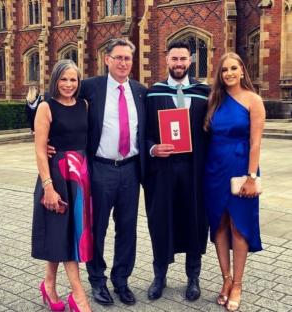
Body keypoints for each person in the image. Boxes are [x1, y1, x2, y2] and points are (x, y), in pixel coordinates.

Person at [79, 38, 147, 306]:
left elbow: (148, 132)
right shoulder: (89, 87)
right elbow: (59, 102)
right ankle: (97, 280)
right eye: (117, 57)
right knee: (98, 228)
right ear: (107, 59)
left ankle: (121, 280)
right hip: (100, 169)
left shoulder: (141, 92)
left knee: (127, 228)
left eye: (127, 58)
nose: (123, 63)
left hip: (130, 170)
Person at [144, 40, 210, 301]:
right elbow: (144, 133)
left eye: (183, 59)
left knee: (195, 221)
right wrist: (153, 149)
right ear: (167, 59)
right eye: (174, 59)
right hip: (163, 171)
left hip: (195, 170)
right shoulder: (153, 94)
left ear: (190, 61)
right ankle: (159, 276)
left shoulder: (204, 93)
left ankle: (193, 277)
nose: (179, 64)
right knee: (161, 221)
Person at [203, 52, 265, 311]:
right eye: (224, 70)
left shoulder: (254, 100)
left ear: (242, 71)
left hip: (241, 170)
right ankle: (225, 280)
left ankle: (238, 283)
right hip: (214, 170)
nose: (228, 73)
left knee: (239, 227)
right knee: (219, 226)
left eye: (233, 68)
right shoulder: (214, 101)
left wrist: (251, 177)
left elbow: (256, 142)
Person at [32, 59, 93, 312]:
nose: (68, 84)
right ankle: (79, 297)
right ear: (55, 80)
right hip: (56, 176)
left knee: (65, 234)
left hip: (80, 177)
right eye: (64, 79)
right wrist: (48, 187)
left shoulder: (84, 105)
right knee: (66, 236)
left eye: (73, 79)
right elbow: (38, 149)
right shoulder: (46, 107)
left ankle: (48, 284)